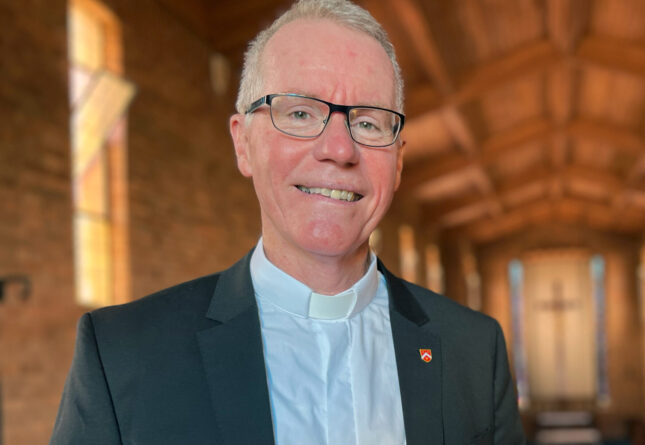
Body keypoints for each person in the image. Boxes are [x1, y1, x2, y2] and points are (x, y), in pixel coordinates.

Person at [50, 0, 525, 444]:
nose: (339, 150)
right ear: (243, 144)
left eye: (367, 123)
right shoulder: (122, 356)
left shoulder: (473, 353)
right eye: (300, 113)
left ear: (397, 162)